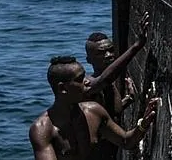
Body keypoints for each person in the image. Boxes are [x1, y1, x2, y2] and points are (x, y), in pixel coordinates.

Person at [29, 56, 160, 160]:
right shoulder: (42, 129)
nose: (87, 81)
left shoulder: (94, 111)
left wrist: (143, 124)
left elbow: (126, 141)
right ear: (63, 88)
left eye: (84, 76)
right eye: (80, 79)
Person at [83, 12, 149, 159]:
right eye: (101, 53)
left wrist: (127, 100)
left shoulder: (109, 85)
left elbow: (105, 115)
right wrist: (136, 46)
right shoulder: (89, 84)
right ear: (89, 60)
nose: (108, 55)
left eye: (111, 50)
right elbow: (104, 79)